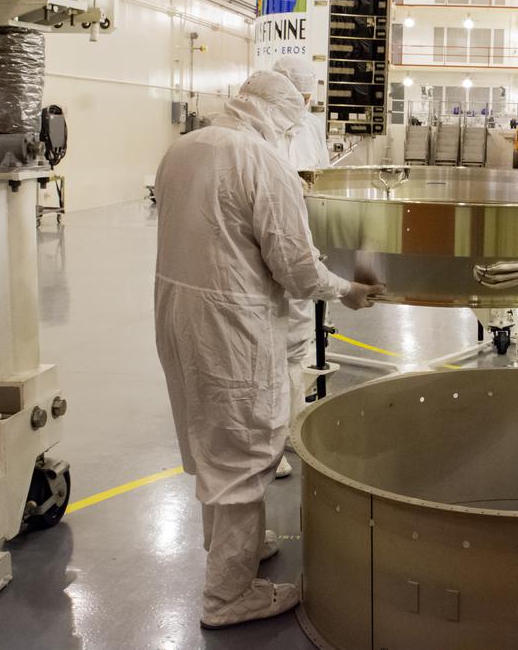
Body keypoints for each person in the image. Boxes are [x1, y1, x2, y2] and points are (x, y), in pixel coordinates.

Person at [154, 70, 383, 629]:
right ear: (285, 114)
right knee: (245, 445)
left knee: (211, 433)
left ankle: (237, 547)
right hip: (232, 321)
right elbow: (297, 268)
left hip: (176, 311)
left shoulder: (185, 147)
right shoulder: (263, 160)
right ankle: (227, 597)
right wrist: (349, 290)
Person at [270, 57, 331, 480]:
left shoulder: (308, 126)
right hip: (271, 243)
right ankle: (269, 444)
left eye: (310, 98)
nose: (305, 105)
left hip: (302, 240)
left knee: (297, 341)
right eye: (300, 97)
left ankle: (292, 427)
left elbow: (320, 177)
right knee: (270, 347)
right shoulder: (264, 131)